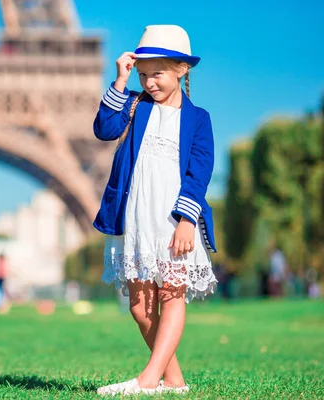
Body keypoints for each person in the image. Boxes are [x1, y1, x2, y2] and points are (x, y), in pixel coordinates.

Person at [93, 25, 218, 396]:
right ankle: (174, 380)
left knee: (171, 296)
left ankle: (149, 379)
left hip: (174, 218)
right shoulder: (133, 104)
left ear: (182, 69)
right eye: (143, 74)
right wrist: (120, 80)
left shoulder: (199, 119)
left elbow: (201, 171)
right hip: (135, 217)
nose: (149, 82)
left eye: (157, 73)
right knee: (139, 307)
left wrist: (186, 220)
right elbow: (103, 129)